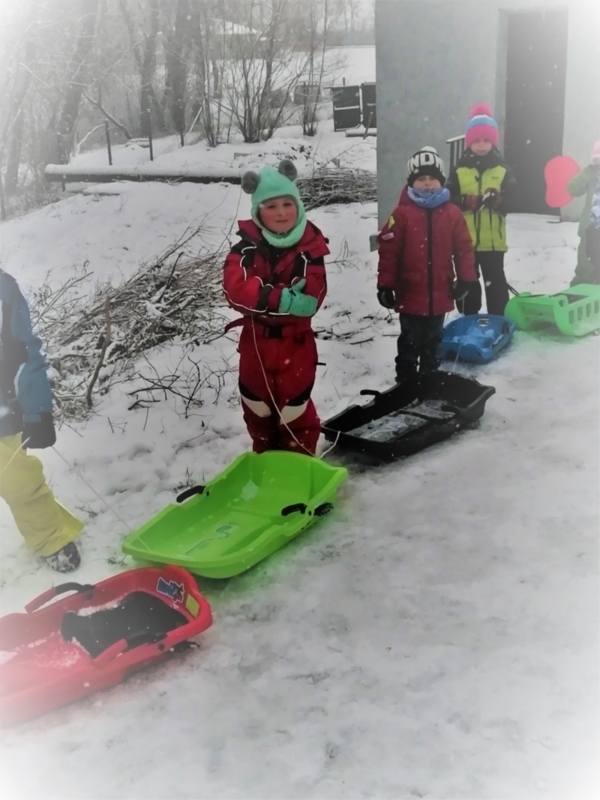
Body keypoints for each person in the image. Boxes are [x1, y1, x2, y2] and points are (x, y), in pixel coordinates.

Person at [223, 160, 328, 455]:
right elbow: (235, 290)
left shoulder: (310, 248)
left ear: (298, 206)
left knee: (295, 410)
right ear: (259, 212)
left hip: (296, 345)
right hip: (255, 344)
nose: (281, 212)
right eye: (271, 206)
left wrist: (260, 296)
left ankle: (300, 461)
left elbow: (311, 299)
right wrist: (282, 299)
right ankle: (266, 459)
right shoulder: (244, 249)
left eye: (287, 204)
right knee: (257, 407)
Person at [0, 268, 83, 572]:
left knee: (20, 483)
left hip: (1, 418)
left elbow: (26, 354)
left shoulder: (4, 291)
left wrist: (37, 411)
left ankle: (50, 537)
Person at [377, 146, 478, 381]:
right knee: (409, 342)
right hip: (410, 293)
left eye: (432, 178)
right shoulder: (401, 214)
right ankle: (406, 381)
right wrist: (385, 285)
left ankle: (430, 379)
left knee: (433, 342)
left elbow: (464, 249)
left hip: (440, 292)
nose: (428, 183)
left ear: (441, 180)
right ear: (412, 182)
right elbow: (389, 252)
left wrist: (466, 279)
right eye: (421, 178)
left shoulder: (452, 214)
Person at [445, 104, 518, 315]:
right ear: (469, 142)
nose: (482, 145)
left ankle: (498, 318)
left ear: (493, 142)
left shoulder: (503, 170)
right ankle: (469, 317)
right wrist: (464, 201)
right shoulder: (459, 170)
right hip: (465, 242)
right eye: (477, 141)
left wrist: (498, 201)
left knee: (495, 282)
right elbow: (447, 199)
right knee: (468, 280)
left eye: (486, 140)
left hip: (493, 243)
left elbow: (515, 200)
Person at [568, 141, 600, 286]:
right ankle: (578, 293)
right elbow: (572, 189)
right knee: (584, 269)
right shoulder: (591, 177)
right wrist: (587, 172)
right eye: (597, 160)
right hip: (590, 231)